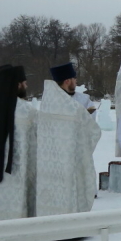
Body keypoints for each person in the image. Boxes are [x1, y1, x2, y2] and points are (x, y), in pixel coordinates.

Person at [34, 66, 100, 217]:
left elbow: (91, 123)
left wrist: (84, 118)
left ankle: (77, 219)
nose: (76, 81)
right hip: (56, 154)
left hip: (76, 149)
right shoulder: (50, 100)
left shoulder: (84, 99)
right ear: (67, 80)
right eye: (74, 79)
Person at [0, 65, 35, 222]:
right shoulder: (25, 109)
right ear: (17, 85)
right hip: (17, 166)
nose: (26, 85)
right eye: (24, 82)